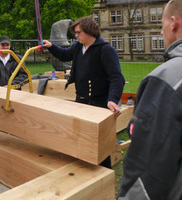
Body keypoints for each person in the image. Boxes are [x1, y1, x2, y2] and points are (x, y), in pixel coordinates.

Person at [118, 1, 182, 199]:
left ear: (173, 23)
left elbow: (144, 176)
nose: (161, 33)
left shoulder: (167, 79)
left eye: (161, 25)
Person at [42, 16, 125, 169]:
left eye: (78, 32)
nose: (76, 35)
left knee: (100, 144)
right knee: (81, 139)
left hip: (99, 104)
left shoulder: (106, 50)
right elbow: (64, 54)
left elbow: (117, 77)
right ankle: (84, 169)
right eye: (75, 32)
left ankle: (103, 174)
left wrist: (112, 99)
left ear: (89, 31)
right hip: (81, 101)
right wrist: (51, 46)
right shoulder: (78, 47)